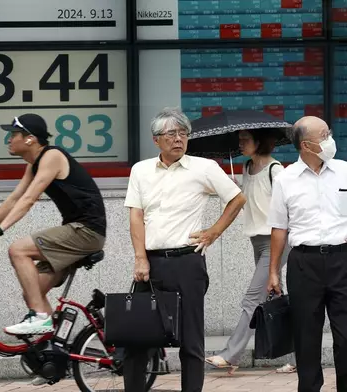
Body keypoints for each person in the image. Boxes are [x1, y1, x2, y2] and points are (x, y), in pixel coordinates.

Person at [124, 107, 246, 392]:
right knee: (136, 339)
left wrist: (214, 232)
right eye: (171, 134)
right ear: (156, 140)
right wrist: (140, 258)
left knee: (191, 341)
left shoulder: (203, 168)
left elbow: (237, 199)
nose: (178, 139)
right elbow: (136, 217)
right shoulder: (140, 170)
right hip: (151, 263)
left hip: (187, 263)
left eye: (183, 133)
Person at [0, 113, 106, 336]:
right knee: (32, 291)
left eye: (13, 134)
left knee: (18, 250)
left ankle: (39, 317)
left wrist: (0, 230)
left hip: (86, 231)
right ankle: (53, 350)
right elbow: (15, 198)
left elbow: (28, 200)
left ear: (30, 139)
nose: (8, 139)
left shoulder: (52, 156)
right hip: (76, 231)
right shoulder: (34, 164)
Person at [267, 116, 347, 392]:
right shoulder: (285, 179)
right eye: (324, 136)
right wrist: (273, 271)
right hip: (304, 263)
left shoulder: (344, 171)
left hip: (342, 259)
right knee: (306, 336)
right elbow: (279, 228)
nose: (330, 140)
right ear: (306, 145)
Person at [205, 128, 295, 374]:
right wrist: (235, 191)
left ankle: (231, 354)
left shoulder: (276, 170)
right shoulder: (246, 167)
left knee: (252, 299)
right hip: (257, 241)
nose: (240, 143)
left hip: (276, 241)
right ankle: (299, 356)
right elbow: (251, 203)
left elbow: (288, 207)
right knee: (275, 298)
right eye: (240, 139)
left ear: (260, 141)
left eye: (245, 139)